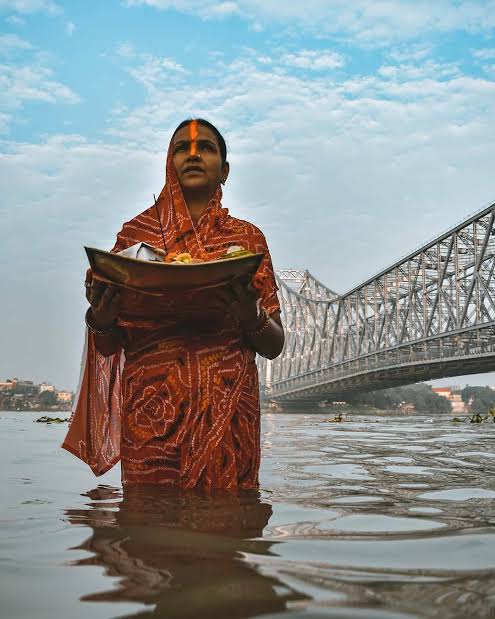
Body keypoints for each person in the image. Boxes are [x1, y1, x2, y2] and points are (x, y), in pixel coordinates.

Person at [62, 119, 284, 490]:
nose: (193, 154)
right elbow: (108, 342)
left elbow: (274, 344)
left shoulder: (247, 240)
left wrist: (250, 315)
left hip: (229, 418)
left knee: (227, 531)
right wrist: (101, 315)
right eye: (182, 148)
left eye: (206, 148)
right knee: (147, 532)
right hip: (151, 420)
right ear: (169, 162)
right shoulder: (135, 238)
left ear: (225, 170)